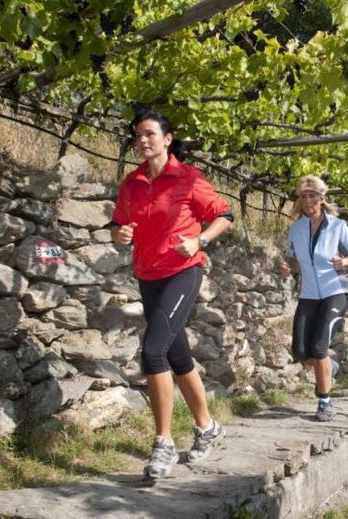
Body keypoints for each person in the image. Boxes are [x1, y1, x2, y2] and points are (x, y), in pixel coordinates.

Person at [111, 110, 233, 478]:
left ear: (166, 139)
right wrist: (119, 234)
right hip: (148, 275)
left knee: (153, 351)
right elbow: (119, 224)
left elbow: (224, 215)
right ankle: (207, 427)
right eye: (137, 135)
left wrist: (200, 239)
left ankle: (163, 443)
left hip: (183, 272)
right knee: (178, 355)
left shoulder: (188, 178)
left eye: (149, 134)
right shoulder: (130, 183)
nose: (142, 140)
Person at [280, 175, 348, 422]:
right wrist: (288, 267)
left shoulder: (337, 226)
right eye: (303, 196)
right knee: (302, 352)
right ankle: (330, 367)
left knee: (319, 348)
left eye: (312, 196)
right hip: (308, 294)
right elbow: (294, 261)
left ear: (321, 197)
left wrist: (345, 261)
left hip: (334, 292)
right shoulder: (295, 229)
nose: (307, 201)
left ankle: (324, 402)